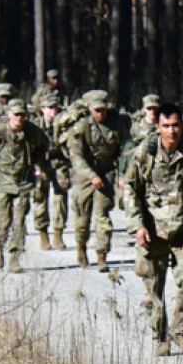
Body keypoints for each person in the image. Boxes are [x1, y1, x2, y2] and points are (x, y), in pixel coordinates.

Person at [124, 102, 183, 357]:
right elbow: (130, 190)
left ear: (182, 126)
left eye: (176, 125)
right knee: (153, 285)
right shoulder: (145, 152)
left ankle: (181, 332)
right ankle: (159, 336)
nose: (171, 131)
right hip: (152, 228)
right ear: (157, 127)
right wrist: (137, 226)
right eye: (166, 126)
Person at [65, 89, 130, 270]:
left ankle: (102, 255)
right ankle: (81, 247)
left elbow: (127, 150)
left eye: (103, 110)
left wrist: (123, 175)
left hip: (106, 173)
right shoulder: (81, 127)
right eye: (96, 110)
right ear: (90, 109)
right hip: (83, 175)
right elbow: (76, 157)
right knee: (82, 218)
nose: (100, 113)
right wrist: (91, 176)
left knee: (103, 216)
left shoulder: (117, 126)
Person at [0, 99, 52, 272]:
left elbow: (44, 145)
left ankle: (14, 257)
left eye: (23, 115)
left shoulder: (33, 132)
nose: (20, 118)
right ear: (9, 114)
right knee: (3, 220)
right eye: (16, 114)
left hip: (23, 182)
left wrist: (37, 163)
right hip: (1, 181)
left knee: (19, 220)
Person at [29, 91, 72, 250]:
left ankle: (58, 234)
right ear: (41, 109)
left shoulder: (63, 123)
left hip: (60, 163)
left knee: (61, 197)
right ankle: (42, 234)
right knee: (40, 197)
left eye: (54, 107)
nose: (52, 111)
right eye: (48, 107)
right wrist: (34, 168)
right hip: (41, 163)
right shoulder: (35, 126)